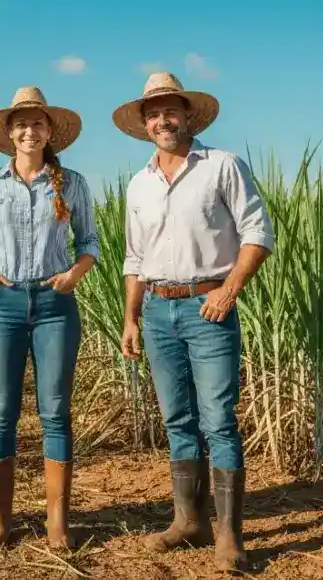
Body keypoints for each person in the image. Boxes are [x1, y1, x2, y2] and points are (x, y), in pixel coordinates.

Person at [113, 72, 275, 573]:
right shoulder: (139, 183)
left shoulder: (221, 165)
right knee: (177, 419)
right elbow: (134, 258)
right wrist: (132, 318)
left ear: (188, 116)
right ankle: (189, 522)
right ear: (144, 125)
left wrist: (228, 290)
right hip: (157, 310)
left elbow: (258, 233)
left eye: (171, 111)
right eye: (154, 114)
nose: (163, 120)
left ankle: (229, 535)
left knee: (219, 421)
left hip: (209, 308)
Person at [0, 86, 100, 550]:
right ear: (8, 132)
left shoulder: (72, 182)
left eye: (37, 123)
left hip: (54, 306)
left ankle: (57, 522)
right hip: (1, 306)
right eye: (21, 123)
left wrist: (73, 275)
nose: (29, 130)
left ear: (49, 131)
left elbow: (91, 243)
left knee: (55, 412)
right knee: (1, 412)